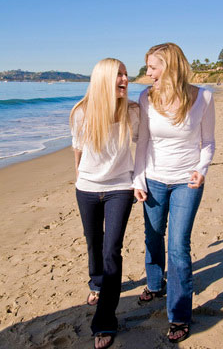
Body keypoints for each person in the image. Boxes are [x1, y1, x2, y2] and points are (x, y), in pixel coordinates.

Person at [133, 43, 215, 343]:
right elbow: (141, 142)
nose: (148, 73)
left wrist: (202, 169)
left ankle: (179, 315)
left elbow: (208, 142)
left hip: (186, 182)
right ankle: (155, 284)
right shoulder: (146, 97)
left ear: (169, 66)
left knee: (178, 245)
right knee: (153, 235)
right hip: (153, 179)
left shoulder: (203, 96)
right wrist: (138, 179)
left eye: (152, 67)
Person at [70, 58, 139, 349]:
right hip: (87, 188)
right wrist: (81, 180)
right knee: (93, 243)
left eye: (126, 73)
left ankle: (105, 321)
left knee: (112, 250)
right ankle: (96, 283)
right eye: (119, 75)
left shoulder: (134, 111)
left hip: (121, 187)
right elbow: (78, 151)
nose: (126, 78)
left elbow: (147, 144)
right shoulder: (81, 113)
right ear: (103, 80)